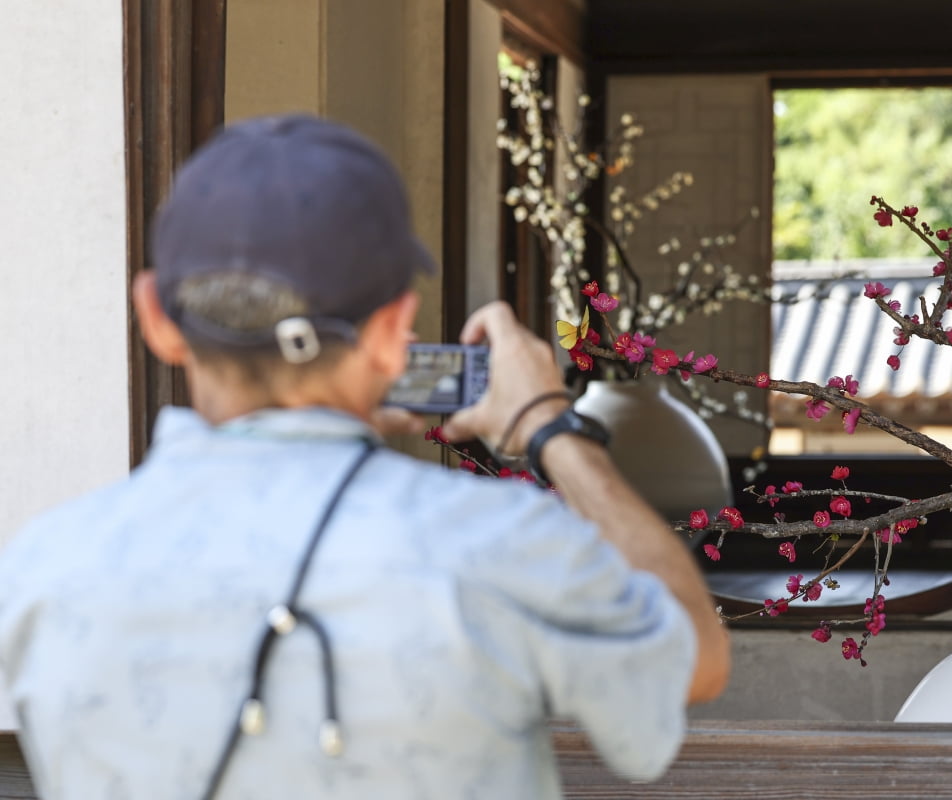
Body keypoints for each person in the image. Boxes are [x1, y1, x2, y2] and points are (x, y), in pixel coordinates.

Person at [0, 114, 729, 799]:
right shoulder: (496, 544)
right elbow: (691, 654)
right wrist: (548, 425)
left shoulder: (40, 568)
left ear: (156, 317)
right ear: (393, 331)